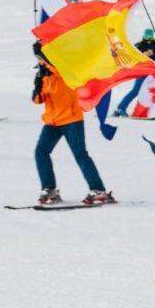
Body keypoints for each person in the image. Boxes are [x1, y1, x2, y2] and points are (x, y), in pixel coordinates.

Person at [32, 42, 114, 205]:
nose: (39, 61)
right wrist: (38, 86)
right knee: (41, 152)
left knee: (80, 154)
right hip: (52, 121)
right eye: (37, 58)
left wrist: (48, 65)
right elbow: (37, 100)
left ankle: (98, 189)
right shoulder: (43, 74)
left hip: (71, 120)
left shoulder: (64, 69)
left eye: (40, 57)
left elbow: (65, 77)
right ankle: (49, 188)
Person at [112, 29, 155, 116]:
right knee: (135, 90)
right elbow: (133, 56)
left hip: (154, 72)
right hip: (143, 71)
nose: (149, 39)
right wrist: (144, 54)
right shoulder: (139, 45)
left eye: (150, 37)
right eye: (147, 36)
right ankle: (120, 108)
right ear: (144, 36)